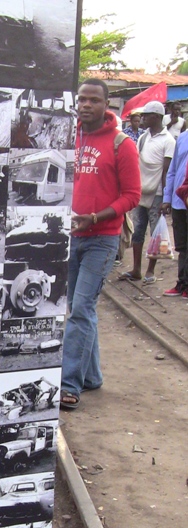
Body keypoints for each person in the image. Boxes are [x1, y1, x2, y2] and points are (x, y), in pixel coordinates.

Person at [60, 79, 141, 409]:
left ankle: (69, 385)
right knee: (79, 308)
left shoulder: (122, 144)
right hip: (70, 238)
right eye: (82, 99)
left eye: (94, 100)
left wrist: (95, 217)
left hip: (102, 238)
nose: (86, 105)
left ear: (107, 105)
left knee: (81, 309)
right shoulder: (68, 137)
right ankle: (91, 376)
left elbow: (132, 196)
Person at [119, 101, 175, 284]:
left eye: (147, 115)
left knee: (155, 233)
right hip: (141, 192)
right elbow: (136, 164)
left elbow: (166, 171)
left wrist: (166, 198)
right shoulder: (144, 138)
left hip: (157, 193)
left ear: (157, 117)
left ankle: (150, 271)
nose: (143, 118)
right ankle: (136, 269)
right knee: (138, 232)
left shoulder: (168, 141)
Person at [161, 130, 188, 297]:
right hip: (180, 201)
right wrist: (167, 198)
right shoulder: (183, 137)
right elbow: (172, 171)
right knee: (182, 245)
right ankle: (182, 284)